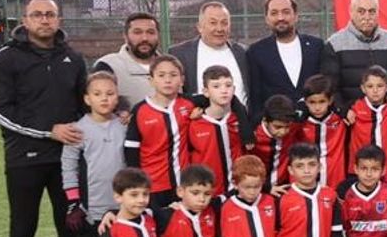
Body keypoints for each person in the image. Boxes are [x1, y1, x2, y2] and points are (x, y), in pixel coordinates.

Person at [0, 0, 87, 237]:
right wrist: (48, 131)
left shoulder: (73, 58)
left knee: (71, 229)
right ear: (25, 20)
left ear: (59, 20)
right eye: (37, 14)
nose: (44, 20)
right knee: (22, 231)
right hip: (24, 161)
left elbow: (83, 106)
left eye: (50, 14)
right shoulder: (6, 58)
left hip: (66, 161)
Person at [60, 71, 125, 237]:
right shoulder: (78, 130)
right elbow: (68, 168)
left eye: (110, 93)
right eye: (97, 94)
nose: (104, 98)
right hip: (91, 209)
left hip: (122, 208)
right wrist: (74, 204)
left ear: (117, 97)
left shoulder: (124, 125)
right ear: (87, 99)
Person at [124, 55, 195, 210]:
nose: (167, 80)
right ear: (151, 80)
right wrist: (137, 181)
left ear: (182, 80)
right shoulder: (140, 110)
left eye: (173, 75)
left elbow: (216, 98)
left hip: (184, 184)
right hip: (153, 184)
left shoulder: (190, 103)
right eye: (161, 75)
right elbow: (131, 149)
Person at [245, 0, 333, 114]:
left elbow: (327, 87)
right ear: (267, 18)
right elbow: (256, 98)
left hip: (313, 122)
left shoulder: (317, 46)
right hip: (277, 123)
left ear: (296, 15)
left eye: (286, 12)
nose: (280, 17)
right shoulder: (256, 52)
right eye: (274, 13)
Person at [326, 0, 387, 108]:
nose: (367, 17)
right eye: (361, 11)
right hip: (352, 116)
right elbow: (330, 87)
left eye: (372, 11)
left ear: (378, 13)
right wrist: (344, 111)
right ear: (351, 12)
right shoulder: (335, 45)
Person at [169, 1, 249, 104]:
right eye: (213, 23)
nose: (219, 29)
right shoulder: (179, 54)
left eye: (224, 23)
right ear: (199, 27)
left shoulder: (243, 53)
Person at [186, 65, 243, 195]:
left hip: (237, 190)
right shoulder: (194, 123)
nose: (224, 91)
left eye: (228, 85)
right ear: (206, 92)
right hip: (206, 193)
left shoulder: (238, 119)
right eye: (216, 86)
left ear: (234, 89)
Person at [93, 12, 161, 110]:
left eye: (150, 32)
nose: (144, 38)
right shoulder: (108, 66)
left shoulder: (172, 66)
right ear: (125, 36)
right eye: (137, 32)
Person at [347, 66, 387, 184]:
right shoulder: (354, 109)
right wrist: (344, 111)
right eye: (370, 86)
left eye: (380, 86)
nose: (375, 90)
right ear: (363, 88)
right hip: (362, 173)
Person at [298, 74, 349, 191]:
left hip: (335, 180)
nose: (317, 107)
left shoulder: (341, 119)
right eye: (312, 102)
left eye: (322, 102)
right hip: (305, 181)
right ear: (305, 102)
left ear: (330, 100)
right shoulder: (299, 124)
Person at [247, 95, 299, 191]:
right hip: (257, 190)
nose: (283, 132)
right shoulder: (252, 137)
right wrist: (266, 187)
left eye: (287, 126)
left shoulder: (294, 128)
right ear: (265, 121)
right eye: (277, 127)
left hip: (285, 188)